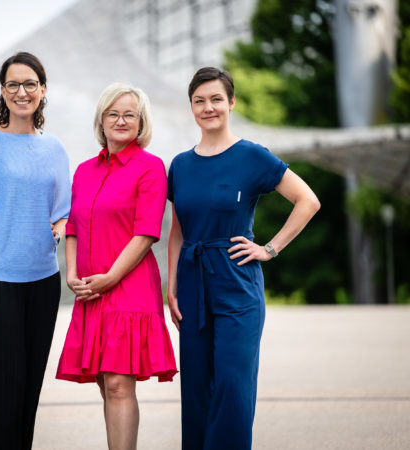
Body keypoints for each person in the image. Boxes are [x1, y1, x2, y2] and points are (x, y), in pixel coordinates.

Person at [167, 67, 321, 449]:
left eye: (216, 99)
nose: (208, 107)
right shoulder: (180, 165)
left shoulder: (252, 156)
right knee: (197, 389)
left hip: (237, 284)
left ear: (231, 102)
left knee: (233, 387)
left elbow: (308, 200)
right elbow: (178, 232)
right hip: (192, 284)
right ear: (191, 107)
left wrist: (269, 248)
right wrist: (172, 287)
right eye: (199, 101)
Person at [0, 51, 71, 449]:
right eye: (14, 84)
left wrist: (61, 225)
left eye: (30, 84)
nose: (22, 92)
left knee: (27, 398)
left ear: (43, 89)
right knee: (3, 395)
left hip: (44, 282)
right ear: (3, 91)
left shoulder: (55, 148)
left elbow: (66, 209)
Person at [56, 83, 177, 449]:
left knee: (119, 384)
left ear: (141, 122)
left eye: (129, 114)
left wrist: (109, 278)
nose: (121, 121)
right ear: (102, 120)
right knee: (104, 384)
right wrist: (72, 274)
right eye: (113, 114)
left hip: (129, 287)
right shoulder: (84, 171)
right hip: (90, 290)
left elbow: (146, 233)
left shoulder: (150, 168)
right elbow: (73, 228)